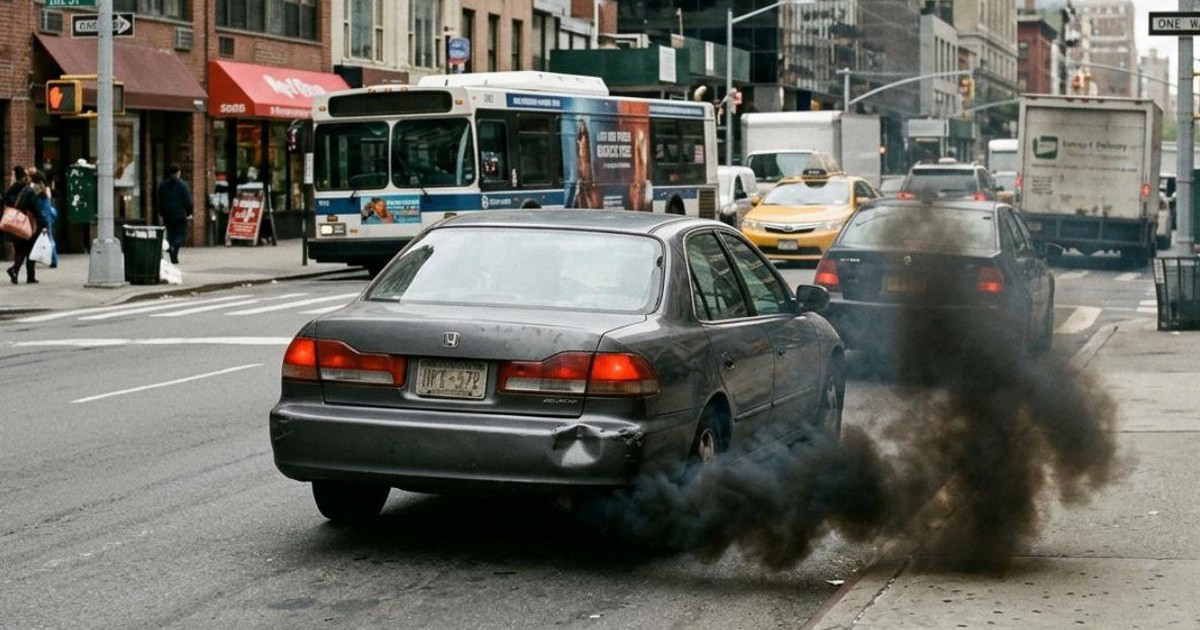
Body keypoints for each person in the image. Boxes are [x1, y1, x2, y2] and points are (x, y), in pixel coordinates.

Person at [7, 170, 48, 284]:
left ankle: (17, 272)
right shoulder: (31, 191)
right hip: (27, 224)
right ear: (39, 182)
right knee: (29, 249)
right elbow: (35, 209)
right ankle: (25, 274)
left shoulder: (25, 189)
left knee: (23, 249)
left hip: (21, 222)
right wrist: (44, 223)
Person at [156, 164, 193, 264]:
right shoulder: (183, 185)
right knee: (181, 235)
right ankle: (174, 247)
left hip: (167, 214)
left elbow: (160, 200)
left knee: (171, 235)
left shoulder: (163, 185)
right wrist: (189, 213)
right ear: (178, 173)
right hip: (180, 214)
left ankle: (174, 256)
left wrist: (161, 213)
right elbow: (188, 201)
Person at [37, 178, 59, 268]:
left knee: (46, 238)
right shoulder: (47, 191)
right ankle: (53, 259)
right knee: (50, 238)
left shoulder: (38, 194)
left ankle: (52, 259)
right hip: (47, 217)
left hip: (42, 218)